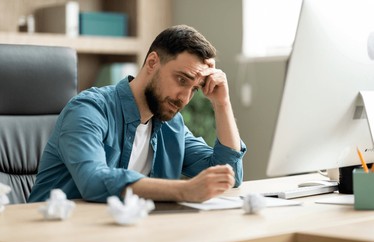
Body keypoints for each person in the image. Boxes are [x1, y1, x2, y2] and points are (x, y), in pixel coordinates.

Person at [28, 25, 246, 203]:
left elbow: (228, 175)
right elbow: (93, 180)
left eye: (195, 89)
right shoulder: (89, 109)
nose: (185, 98)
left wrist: (222, 103)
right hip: (49, 239)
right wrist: (184, 190)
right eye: (181, 80)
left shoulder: (171, 125)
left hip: (120, 236)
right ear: (152, 62)